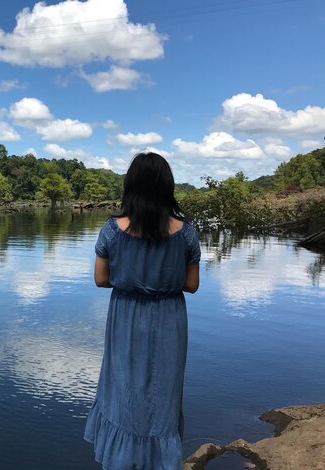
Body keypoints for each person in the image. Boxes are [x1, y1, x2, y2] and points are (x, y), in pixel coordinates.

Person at [84, 152, 200, 470]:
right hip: (169, 318)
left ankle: (123, 461)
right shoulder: (187, 232)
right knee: (163, 391)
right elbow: (191, 285)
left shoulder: (112, 230)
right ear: (167, 187)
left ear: (130, 186)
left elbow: (100, 279)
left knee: (123, 389)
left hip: (125, 316)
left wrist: (133, 280)